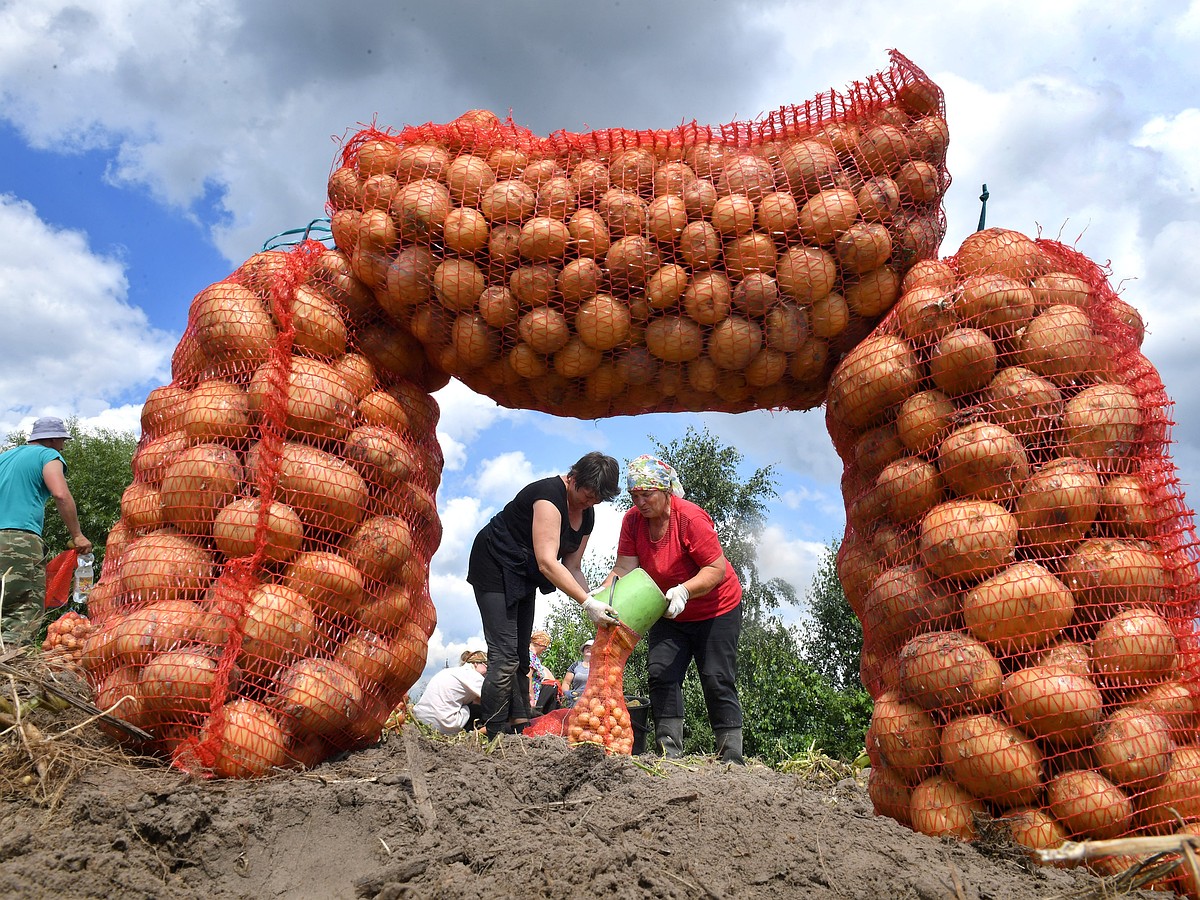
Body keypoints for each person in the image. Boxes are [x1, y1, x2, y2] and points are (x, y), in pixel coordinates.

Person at [603, 455, 745, 764]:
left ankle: (731, 756)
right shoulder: (632, 522)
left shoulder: (691, 518)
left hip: (716, 609)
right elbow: (624, 568)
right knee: (660, 672)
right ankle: (670, 752)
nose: (640, 502)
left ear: (666, 490)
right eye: (634, 495)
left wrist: (684, 590)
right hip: (668, 613)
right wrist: (600, 596)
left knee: (716, 676)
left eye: (646, 494)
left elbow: (714, 568)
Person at [467, 451, 621, 737]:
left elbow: (573, 566)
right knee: (504, 654)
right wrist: (586, 602)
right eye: (586, 495)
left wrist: (595, 602)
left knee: (521, 657)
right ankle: (493, 731)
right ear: (573, 477)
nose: (589, 503)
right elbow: (548, 562)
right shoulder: (548, 496)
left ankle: (518, 726)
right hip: (494, 562)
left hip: (522, 572)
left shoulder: (588, 515)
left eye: (596, 500)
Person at [0, 417, 92, 645]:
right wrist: (77, 535)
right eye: (62, 440)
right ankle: (9, 672)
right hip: (19, 540)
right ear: (51, 438)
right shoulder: (48, 456)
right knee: (24, 608)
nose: (63, 445)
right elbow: (60, 494)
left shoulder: (4, 458)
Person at [411, 650, 488, 735]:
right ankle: (474, 733)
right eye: (486, 666)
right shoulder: (474, 676)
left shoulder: (450, 672)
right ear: (476, 663)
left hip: (420, 719)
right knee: (478, 709)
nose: (488, 672)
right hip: (442, 725)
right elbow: (493, 697)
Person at [528, 630, 559, 715]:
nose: (544, 650)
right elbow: (528, 676)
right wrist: (531, 695)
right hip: (529, 698)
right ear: (540, 644)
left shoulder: (534, 657)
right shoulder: (531, 656)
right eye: (544, 647)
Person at [560, 639, 593, 707]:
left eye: (592, 648)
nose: (589, 649)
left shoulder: (598, 667)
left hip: (592, 702)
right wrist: (567, 693)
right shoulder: (576, 665)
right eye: (587, 648)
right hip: (576, 701)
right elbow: (566, 683)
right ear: (583, 651)